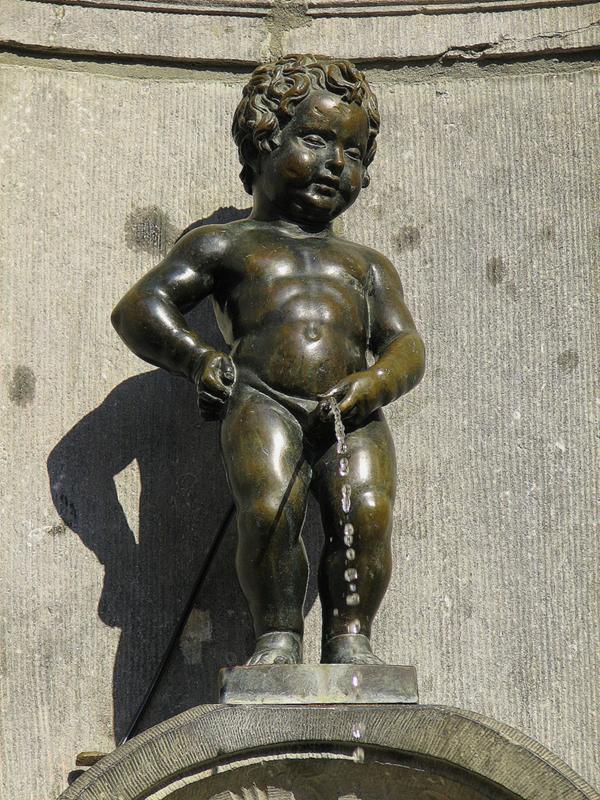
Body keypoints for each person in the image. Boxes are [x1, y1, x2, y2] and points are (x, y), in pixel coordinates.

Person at [112, 54, 425, 665]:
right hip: (263, 400)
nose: (336, 163)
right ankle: (278, 635)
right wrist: (197, 359)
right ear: (261, 145)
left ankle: (351, 638)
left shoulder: (366, 264)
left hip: (354, 409)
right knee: (267, 509)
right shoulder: (226, 244)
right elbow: (140, 308)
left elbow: (406, 346)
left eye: (354, 152)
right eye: (316, 140)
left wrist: (377, 382)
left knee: (367, 512)